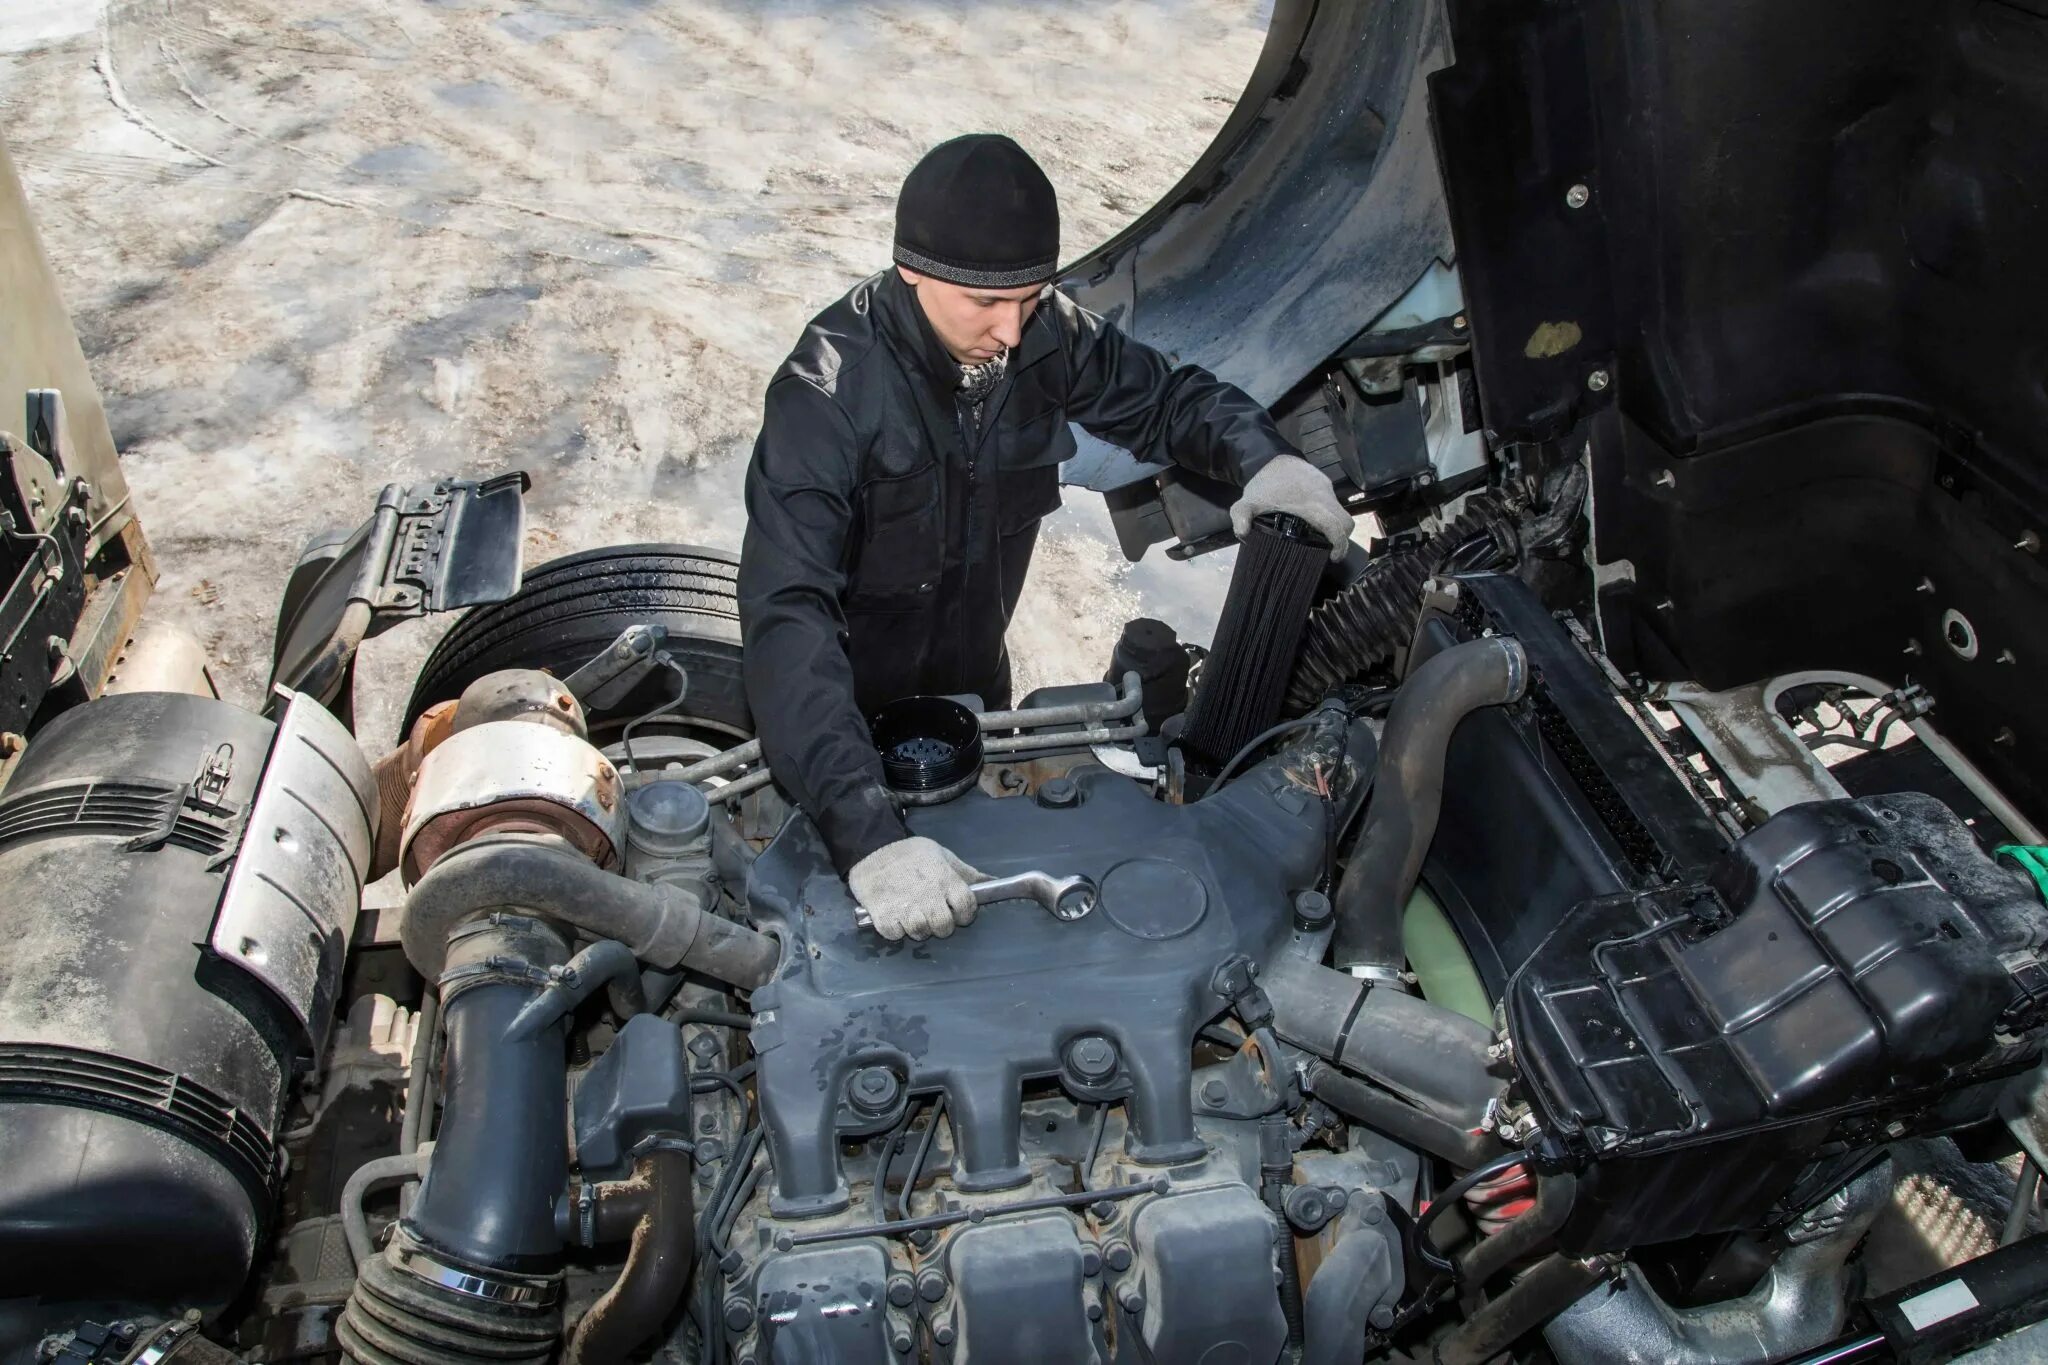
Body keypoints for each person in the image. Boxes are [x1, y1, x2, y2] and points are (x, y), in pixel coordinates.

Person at [737, 134, 1351, 943]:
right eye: (987, 306)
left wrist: (1265, 460)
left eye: (1030, 300)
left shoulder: (1043, 335)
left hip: (975, 705)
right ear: (912, 269)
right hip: (843, 731)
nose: (1014, 331)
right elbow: (788, 617)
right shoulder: (825, 395)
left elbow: (1168, 400)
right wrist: (868, 834)